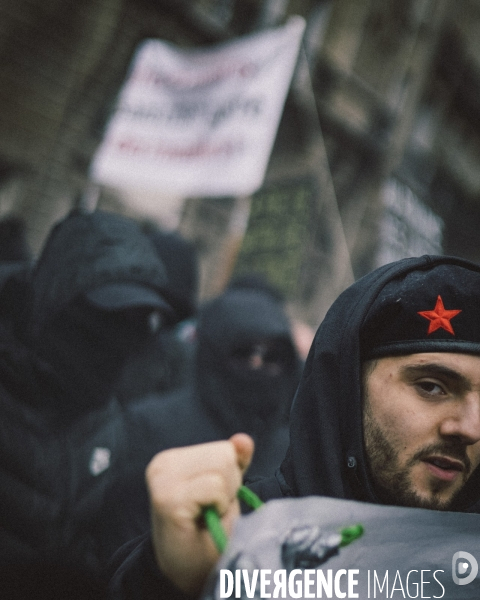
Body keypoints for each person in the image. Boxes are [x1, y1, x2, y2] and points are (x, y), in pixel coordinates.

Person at [110, 255, 480, 599]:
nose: (470, 427)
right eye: (431, 386)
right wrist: (171, 582)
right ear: (348, 389)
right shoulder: (241, 533)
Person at [0, 209, 176, 598]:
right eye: (108, 315)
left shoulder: (108, 419)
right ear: (57, 298)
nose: (117, 341)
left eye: (137, 321)